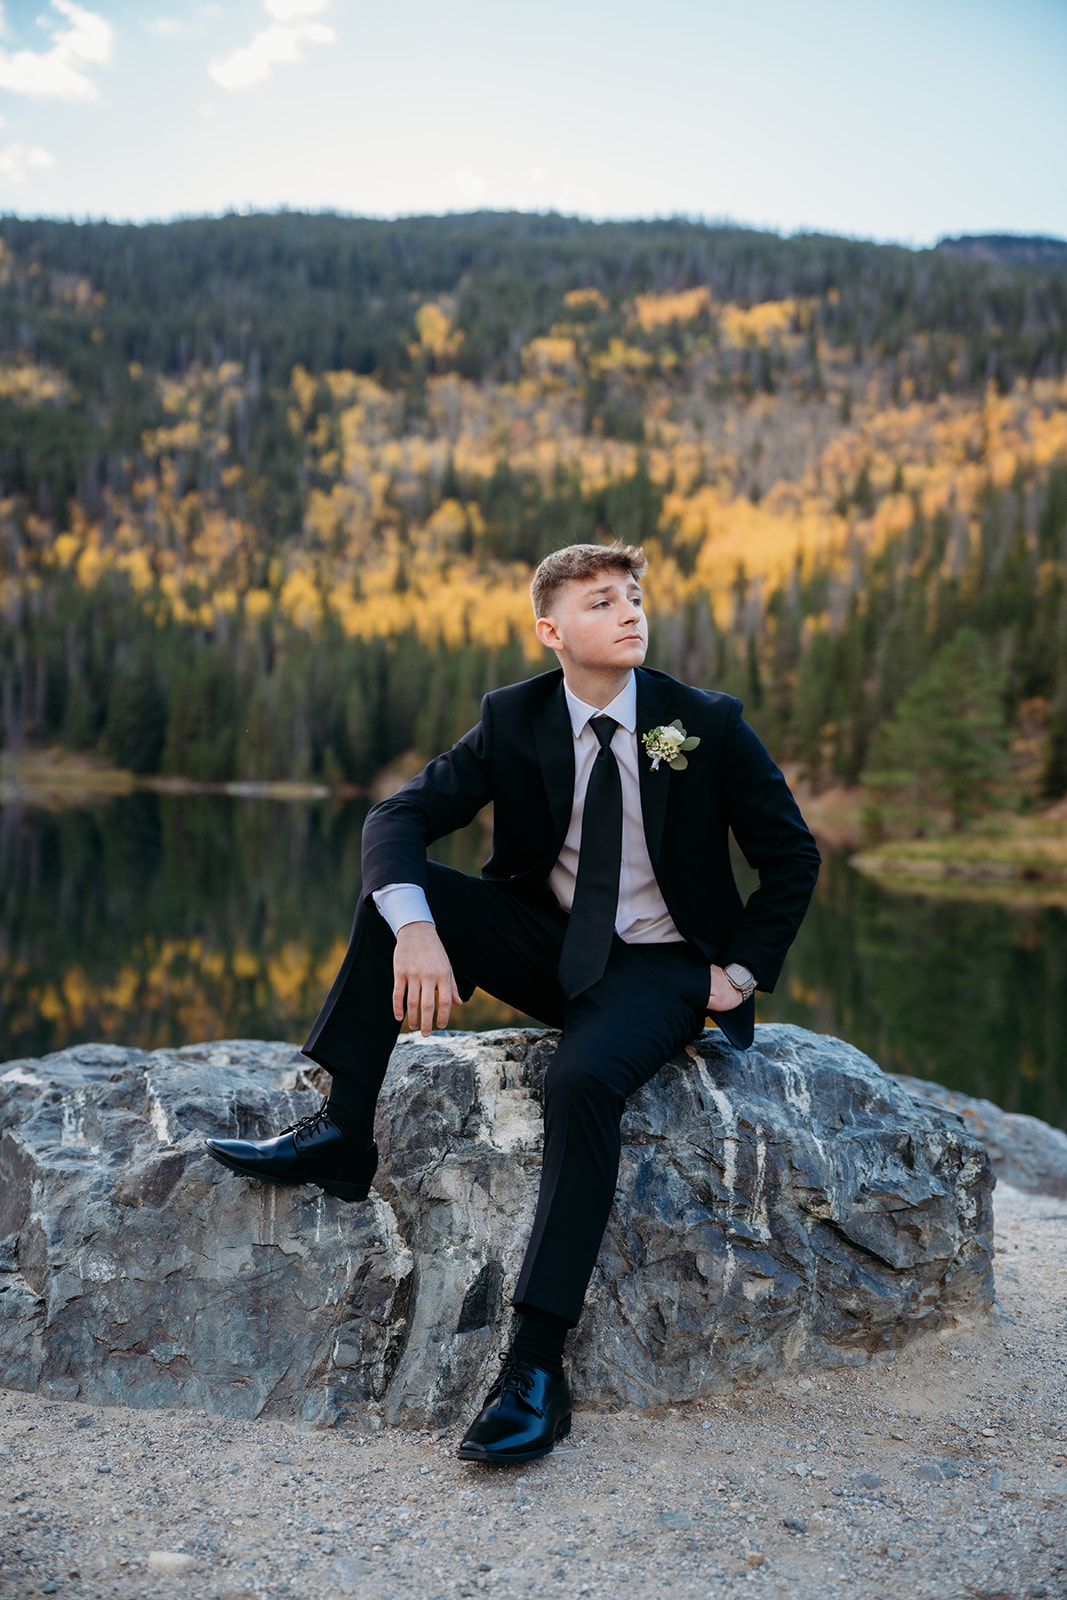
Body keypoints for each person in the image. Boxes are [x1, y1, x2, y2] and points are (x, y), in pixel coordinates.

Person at [205, 540, 821, 1464]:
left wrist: (735, 974)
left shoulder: (704, 722)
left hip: (659, 968)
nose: (628, 612)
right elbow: (397, 817)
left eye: (633, 596)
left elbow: (792, 856)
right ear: (550, 631)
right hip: (549, 946)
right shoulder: (514, 716)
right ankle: (344, 1132)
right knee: (399, 895)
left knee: (579, 1083)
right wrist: (419, 931)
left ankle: (535, 1367)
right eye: (600, 601)